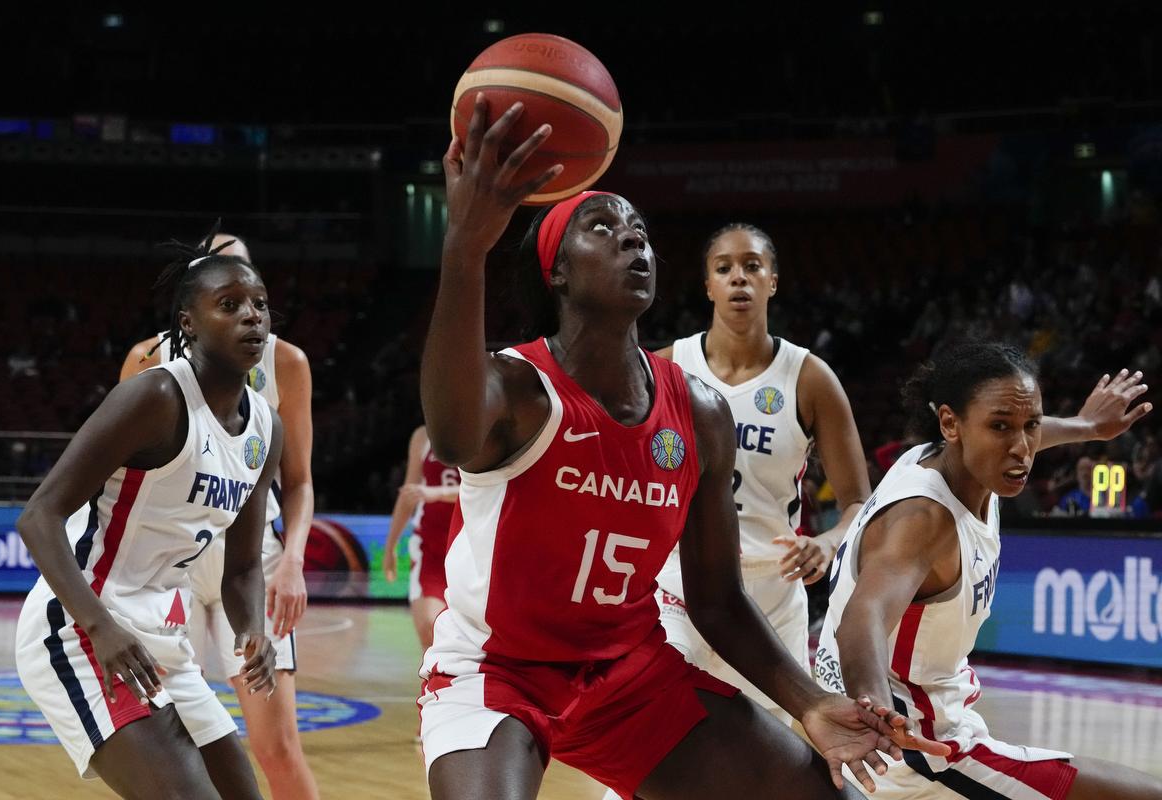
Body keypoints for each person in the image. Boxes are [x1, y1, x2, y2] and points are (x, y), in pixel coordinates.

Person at [415, 94, 948, 800]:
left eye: (639, 231)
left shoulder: (697, 412)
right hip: (497, 670)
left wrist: (810, 704)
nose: (633, 240)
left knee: (827, 796)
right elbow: (450, 434)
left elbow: (718, 599)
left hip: (626, 673)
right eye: (603, 228)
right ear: (558, 274)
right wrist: (465, 246)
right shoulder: (517, 386)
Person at [816, 346, 1161, 799]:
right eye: (1000, 427)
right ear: (950, 423)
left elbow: (1018, 431)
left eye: (1031, 426)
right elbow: (863, 617)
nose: (1022, 448)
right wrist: (874, 706)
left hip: (932, 713)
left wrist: (1087, 427)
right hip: (915, 748)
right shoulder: (925, 520)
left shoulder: (951, 459)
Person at [14, 234, 283, 798]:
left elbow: (241, 568)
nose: (251, 317)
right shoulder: (155, 398)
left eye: (258, 303)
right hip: (83, 628)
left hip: (162, 638)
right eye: (229, 305)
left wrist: (251, 626)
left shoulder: (265, 427)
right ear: (188, 323)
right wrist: (100, 625)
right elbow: (38, 517)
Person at [120, 230, 319, 800]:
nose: (242, 300)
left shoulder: (286, 362)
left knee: (275, 747)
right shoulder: (148, 359)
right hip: (169, 559)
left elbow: (300, 481)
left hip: (251, 557)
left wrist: (294, 563)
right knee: (178, 741)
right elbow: (118, 478)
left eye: (249, 283)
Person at [652, 222, 871, 725]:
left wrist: (831, 540)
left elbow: (860, 501)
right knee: (652, 744)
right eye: (724, 268)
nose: (739, 278)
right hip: (677, 586)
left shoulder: (810, 377)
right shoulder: (665, 369)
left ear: (772, 280)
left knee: (773, 761)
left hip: (771, 593)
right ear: (707, 285)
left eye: (752, 266)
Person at [383, 424, 458, 650]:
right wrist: (391, 547)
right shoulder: (423, 435)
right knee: (429, 627)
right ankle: (430, 685)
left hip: (471, 549)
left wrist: (439, 493)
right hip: (430, 547)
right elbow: (409, 492)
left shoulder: (484, 427)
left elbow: (490, 490)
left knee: (464, 639)